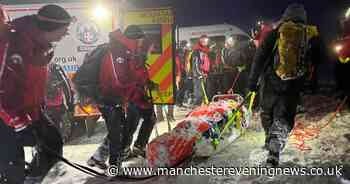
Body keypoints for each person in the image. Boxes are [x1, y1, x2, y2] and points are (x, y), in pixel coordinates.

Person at [0, 4, 72, 183]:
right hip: (6, 115)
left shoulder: (40, 45)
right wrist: (17, 121)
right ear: (51, 28)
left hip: (29, 110)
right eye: (64, 30)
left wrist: (35, 110)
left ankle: (33, 179)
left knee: (52, 143)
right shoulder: (13, 43)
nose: (65, 34)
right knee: (12, 165)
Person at [248, 4, 322, 167]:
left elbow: (259, 58)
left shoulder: (275, 34)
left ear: (285, 16)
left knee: (267, 112)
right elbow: (317, 60)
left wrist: (252, 81)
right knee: (284, 116)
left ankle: (270, 141)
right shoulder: (310, 36)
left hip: (270, 80)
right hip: (294, 84)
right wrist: (311, 82)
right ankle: (275, 147)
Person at [83, 25, 156, 170]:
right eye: (140, 39)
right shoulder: (122, 53)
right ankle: (115, 165)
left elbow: (136, 77)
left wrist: (148, 84)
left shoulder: (129, 52)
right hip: (114, 98)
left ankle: (102, 158)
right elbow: (122, 80)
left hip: (120, 97)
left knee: (120, 130)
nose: (142, 43)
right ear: (135, 39)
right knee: (121, 130)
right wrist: (139, 97)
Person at [191, 35, 210, 106]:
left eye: (206, 41)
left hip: (204, 74)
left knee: (203, 92)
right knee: (198, 93)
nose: (205, 42)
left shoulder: (204, 51)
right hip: (198, 76)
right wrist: (200, 74)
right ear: (200, 41)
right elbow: (195, 65)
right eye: (203, 41)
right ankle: (196, 106)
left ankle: (201, 106)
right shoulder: (196, 51)